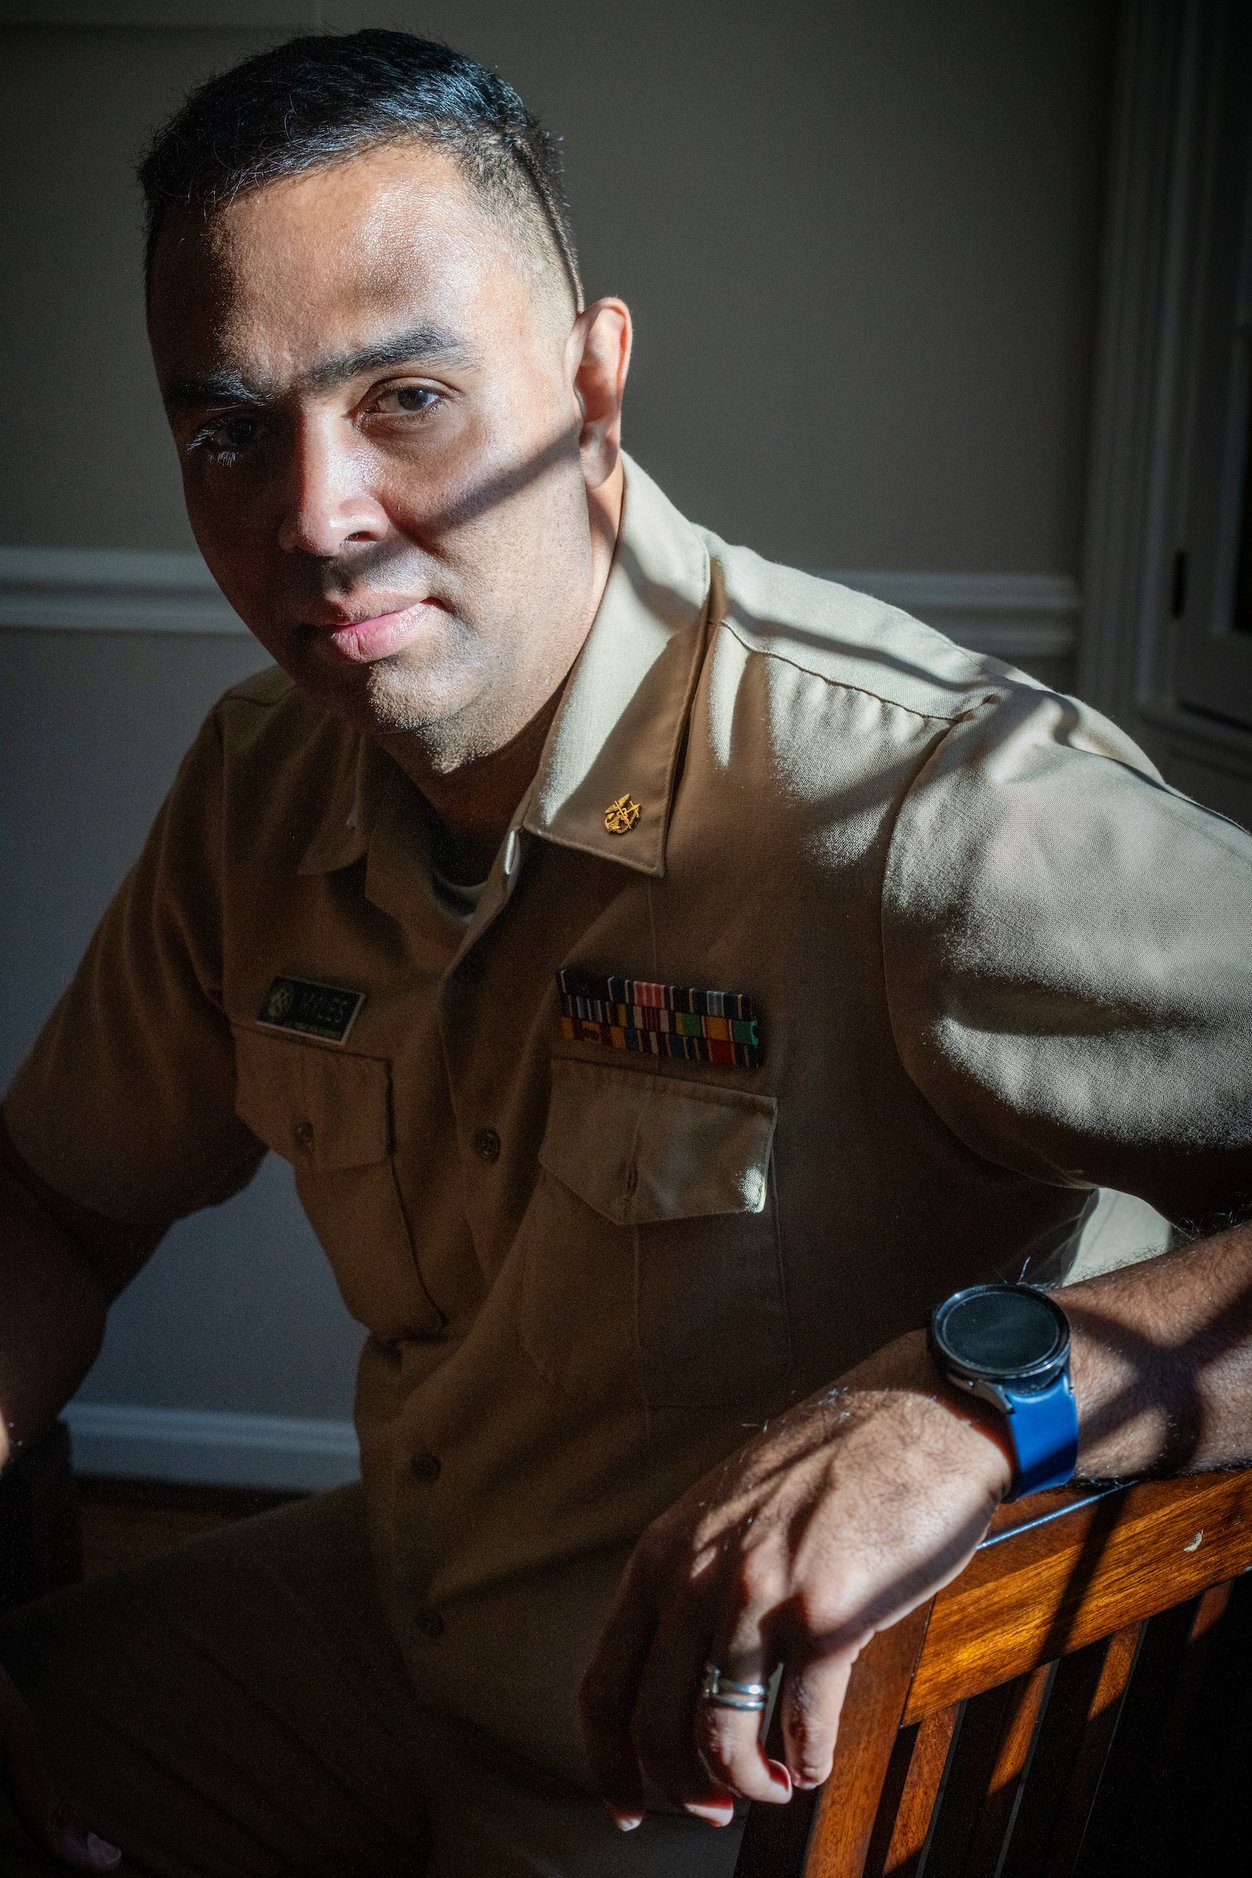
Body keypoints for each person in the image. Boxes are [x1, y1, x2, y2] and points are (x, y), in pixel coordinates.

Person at [0, 27, 1248, 1878]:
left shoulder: (922, 803)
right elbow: (53, 1199)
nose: (315, 520)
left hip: (726, 1771)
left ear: (594, 388)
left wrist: (982, 1398)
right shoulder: (260, 788)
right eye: (229, 434)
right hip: (404, 1619)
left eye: (405, 396)